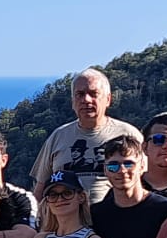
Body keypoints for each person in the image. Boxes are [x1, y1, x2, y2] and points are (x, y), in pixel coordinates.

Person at [29, 68, 142, 203]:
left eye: (93, 94)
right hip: (66, 220)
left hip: (115, 219)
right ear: (73, 101)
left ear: (108, 99)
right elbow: (41, 187)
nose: (86, 100)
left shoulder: (128, 134)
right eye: (80, 94)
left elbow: (147, 180)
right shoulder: (58, 137)